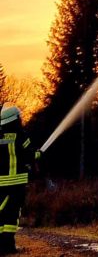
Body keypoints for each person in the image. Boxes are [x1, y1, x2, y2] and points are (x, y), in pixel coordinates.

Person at [0, 105, 36, 254]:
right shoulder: (21, 135)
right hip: (16, 183)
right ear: (15, 120)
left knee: (1, 213)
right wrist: (38, 154)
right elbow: (29, 154)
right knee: (12, 214)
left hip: (1, 183)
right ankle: (8, 246)